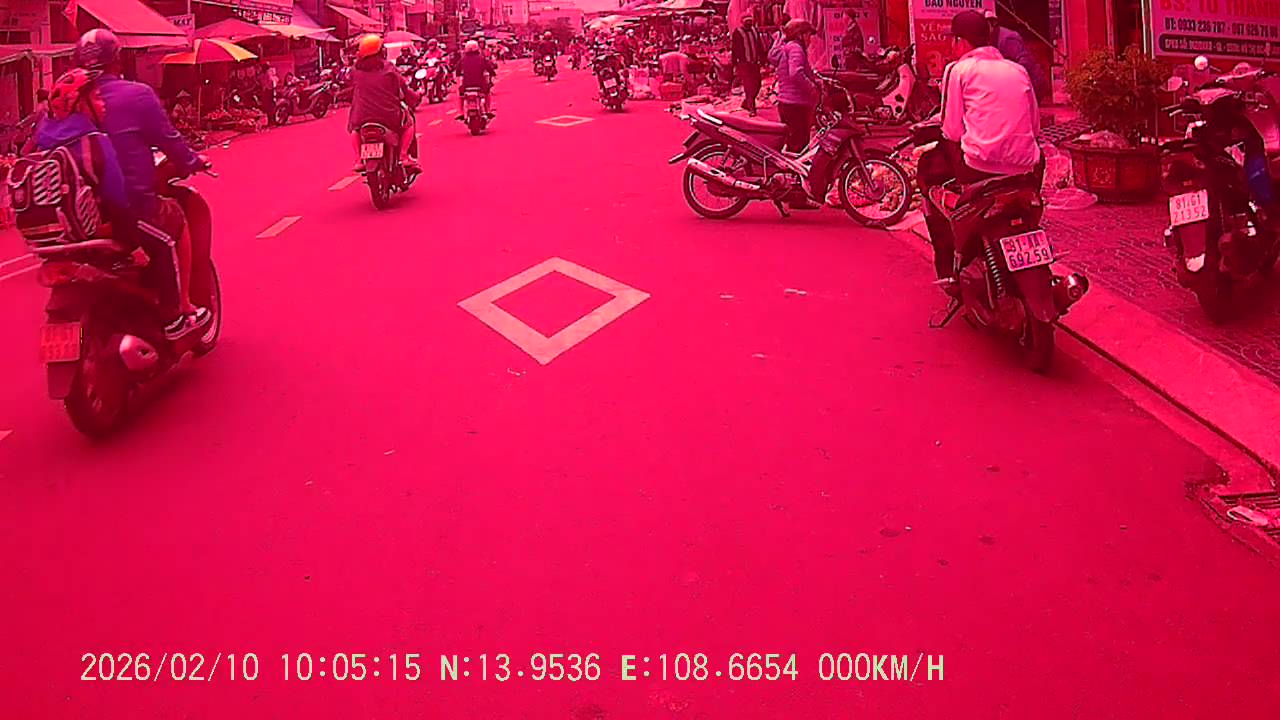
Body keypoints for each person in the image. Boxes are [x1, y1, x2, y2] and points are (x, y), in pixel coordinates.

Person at [73, 29, 211, 340]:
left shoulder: (66, 104)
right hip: (127, 207)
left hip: (78, 216)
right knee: (175, 222)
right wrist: (192, 161)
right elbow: (169, 140)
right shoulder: (136, 95)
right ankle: (179, 310)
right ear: (117, 60)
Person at [922, 10, 1041, 284]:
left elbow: (951, 130)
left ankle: (950, 268)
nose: (951, 46)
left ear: (961, 42)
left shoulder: (958, 70)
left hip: (979, 168)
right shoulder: (1017, 70)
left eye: (952, 40)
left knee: (929, 177)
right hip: (1025, 170)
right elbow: (1035, 127)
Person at [347, 33, 420, 172]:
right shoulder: (389, 68)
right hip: (389, 116)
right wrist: (415, 97)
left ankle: (358, 159)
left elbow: (348, 88)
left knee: (354, 129)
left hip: (361, 117)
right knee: (409, 124)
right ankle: (403, 156)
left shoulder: (354, 71)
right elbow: (403, 89)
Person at [769, 19, 819, 155]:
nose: (810, 40)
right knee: (799, 146)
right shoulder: (796, 48)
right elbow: (796, 73)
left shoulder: (788, 47)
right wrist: (812, 88)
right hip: (796, 104)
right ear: (800, 34)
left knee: (794, 145)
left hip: (787, 103)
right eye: (808, 35)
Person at [985, 10, 1049, 103]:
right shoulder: (991, 38)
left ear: (993, 23)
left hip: (1031, 85)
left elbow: (1023, 63)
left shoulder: (1008, 39)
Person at [731, 15, 766, 115]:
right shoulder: (738, 32)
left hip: (754, 62)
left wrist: (763, 59)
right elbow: (734, 48)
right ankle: (752, 108)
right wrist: (735, 63)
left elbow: (759, 45)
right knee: (748, 85)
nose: (749, 23)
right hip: (744, 63)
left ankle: (747, 102)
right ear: (743, 22)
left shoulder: (755, 31)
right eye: (747, 21)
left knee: (757, 84)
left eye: (751, 21)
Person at [455, 40, 496, 119]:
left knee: (460, 95)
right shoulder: (481, 58)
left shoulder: (463, 60)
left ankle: (461, 112)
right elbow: (490, 69)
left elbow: (457, 71)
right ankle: (488, 110)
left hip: (466, 85)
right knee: (487, 93)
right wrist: (493, 74)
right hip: (480, 84)